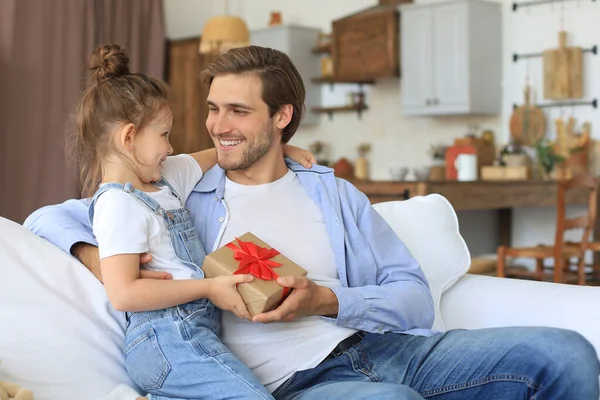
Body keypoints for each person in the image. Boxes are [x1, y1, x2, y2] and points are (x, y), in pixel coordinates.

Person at [26, 45, 599, 400]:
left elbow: (413, 299)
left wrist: (324, 300)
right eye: (211, 109)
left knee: (566, 353)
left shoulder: (333, 193)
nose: (217, 126)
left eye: (238, 111)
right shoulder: (177, 185)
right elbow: (51, 217)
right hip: (297, 382)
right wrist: (106, 263)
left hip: (383, 348)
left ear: (282, 117)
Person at [63, 44, 314, 400]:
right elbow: (124, 294)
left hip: (194, 333)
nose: (170, 146)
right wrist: (209, 288)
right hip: (165, 340)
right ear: (129, 136)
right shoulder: (118, 205)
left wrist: (281, 147)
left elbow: (222, 152)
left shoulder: (164, 178)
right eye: (164, 134)